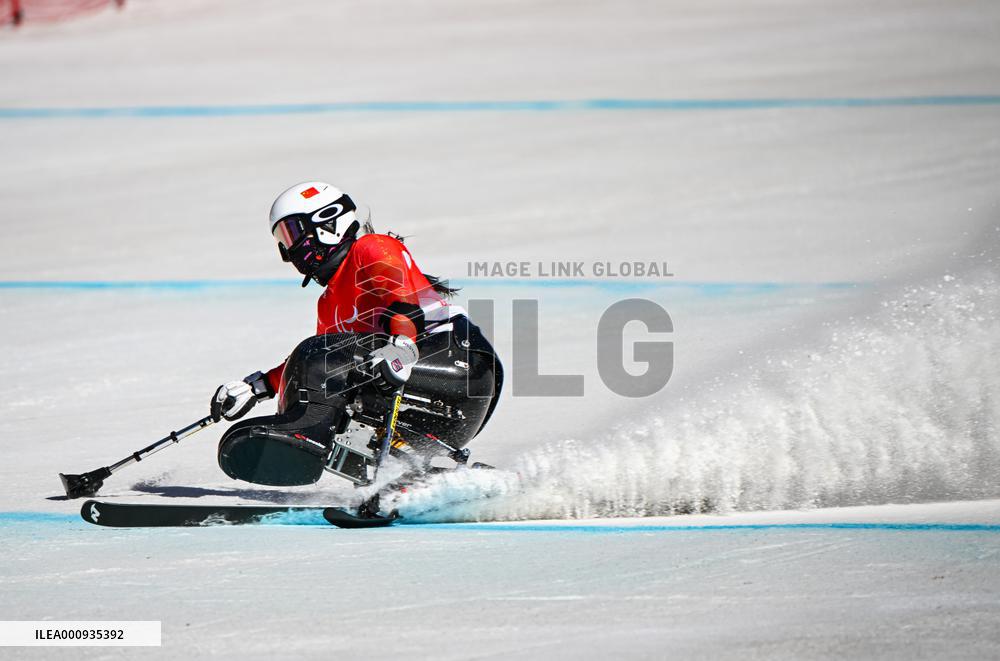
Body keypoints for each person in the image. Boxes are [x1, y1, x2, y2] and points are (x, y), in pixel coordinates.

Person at [210, 182, 502, 488]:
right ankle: (426, 482)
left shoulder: (371, 248)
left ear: (328, 223)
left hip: (455, 364)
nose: (289, 250)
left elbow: (402, 301)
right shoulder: (328, 304)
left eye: (293, 233)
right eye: (283, 240)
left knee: (315, 357)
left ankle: (303, 433)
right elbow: (324, 369)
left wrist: (402, 347)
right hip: (433, 404)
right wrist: (257, 386)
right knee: (322, 382)